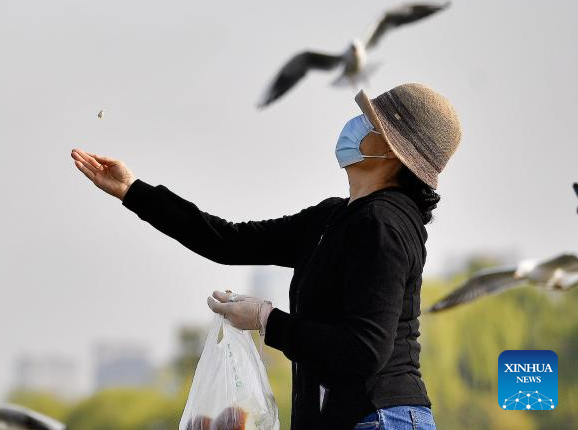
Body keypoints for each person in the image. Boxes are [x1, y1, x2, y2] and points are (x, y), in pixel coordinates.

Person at [70, 83, 461, 430]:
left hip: (379, 417)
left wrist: (265, 320)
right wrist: (133, 191)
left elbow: (364, 350)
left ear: (392, 151)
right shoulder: (334, 218)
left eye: (368, 121)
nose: (355, 124)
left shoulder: (383, 225)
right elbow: (228, 241)